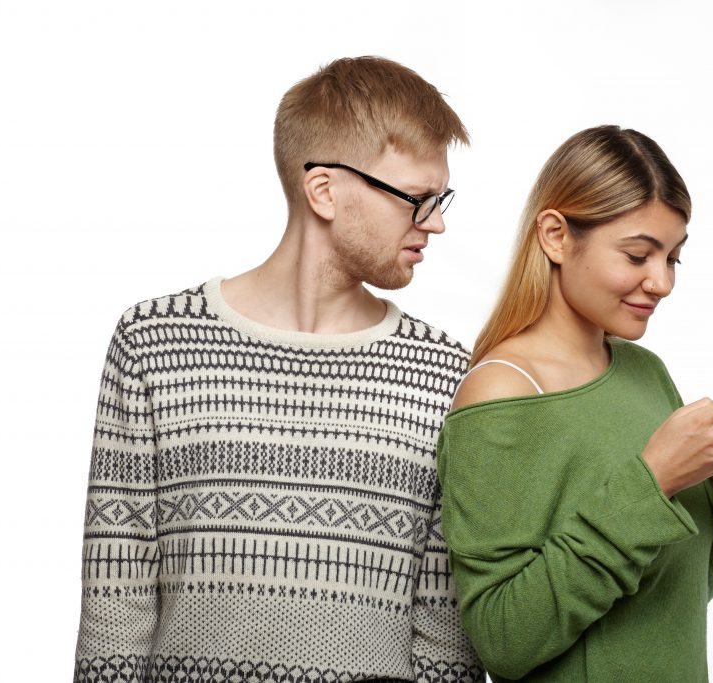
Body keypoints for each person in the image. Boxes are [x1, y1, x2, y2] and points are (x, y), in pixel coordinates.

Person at [74, 56, 483, 683]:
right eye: (417, 200)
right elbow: (115, 607)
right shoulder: (154, 344)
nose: (436, 222)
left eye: (439, 199)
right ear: (324, 190)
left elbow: (444, 642)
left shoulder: (445, 374)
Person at [437, 125, 713, 681]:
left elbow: (678, 598)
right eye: (639, 254)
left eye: (673, 258)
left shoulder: (646, 374)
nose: (662, 282)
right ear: (555, 236)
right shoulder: (500, 394)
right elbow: (503, 638)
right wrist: (653, 481)